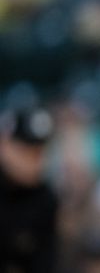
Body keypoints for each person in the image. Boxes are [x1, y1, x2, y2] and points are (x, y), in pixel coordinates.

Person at [0, 107, 58, 273]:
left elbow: (44, 261)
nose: (36, 161)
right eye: (27, 150)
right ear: (4, 146)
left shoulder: (46, 198)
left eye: (41, 151)